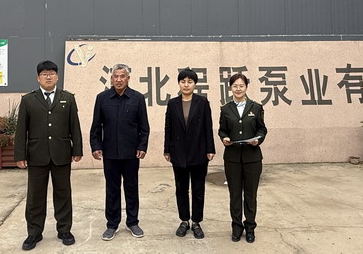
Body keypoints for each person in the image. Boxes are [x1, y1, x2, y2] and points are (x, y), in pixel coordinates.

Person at [14, 60, 83, 251]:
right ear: (38, 78)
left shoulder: (68, 98)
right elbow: (21, 130)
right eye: (44, 74)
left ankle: (64, 230)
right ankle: (34, 233)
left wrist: (77, 149)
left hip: (62, 154)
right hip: (37, 155)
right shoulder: (28, 100)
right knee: (35, 196)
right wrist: (20, 154)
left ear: (57, 77)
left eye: (52, 73)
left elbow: (74, 126)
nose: (48, 77)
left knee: (63, 194)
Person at [90, 63, 150, 241]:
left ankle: (133, 222)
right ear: (111, 78)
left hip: (131, 153)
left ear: (128, 78)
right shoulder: (102, 98)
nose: (118, 79)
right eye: (115, 76)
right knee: (112, 189)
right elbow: (96, 127)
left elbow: (144, 127)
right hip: (110, 153)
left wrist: (142, 147)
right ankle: (112, 224)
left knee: (131, 188)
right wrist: (96, 146)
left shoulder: (137, 98)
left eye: (122, 76)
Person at [164, 68, 215, 239]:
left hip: (199, 152)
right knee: (181, 189)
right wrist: (167, 149)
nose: (186, 85)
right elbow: (168, 128)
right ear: (179, 83)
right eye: (183, 81)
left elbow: (208, 126)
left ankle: (196, 222)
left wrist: (210, 149)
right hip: (178, 153)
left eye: (190, 82)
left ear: (195, 84)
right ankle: (184, 220)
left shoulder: (202, 102)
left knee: (198, 189)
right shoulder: (172, 103)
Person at [218, 72, 267, 243]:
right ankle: (236, 228)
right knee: (235, 195)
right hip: (232, 158)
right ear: (230, 88)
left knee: (251, 195)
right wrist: (224, 138)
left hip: (252, 158)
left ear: (246, 87)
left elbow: (262, 129)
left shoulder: (256, 107)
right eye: (235, 86)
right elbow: (222, 130)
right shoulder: (225, 109)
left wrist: (258, 139)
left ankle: (250, 228)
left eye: (241, 86)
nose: (238, 89)